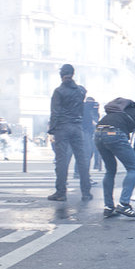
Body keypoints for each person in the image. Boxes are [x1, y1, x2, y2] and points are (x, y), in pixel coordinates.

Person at [95, 97, 135, 218]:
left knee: (110, 170)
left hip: (98, 132)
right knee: (133, 169)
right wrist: (134, 154)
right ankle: (124, 204)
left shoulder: (122, 110)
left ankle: (108, 207)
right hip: (114, 133)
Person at [47, 64, 92, 202]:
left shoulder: (59, 91)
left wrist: (52, 130)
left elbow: (55, 112)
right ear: (73, 74)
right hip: (77, 127)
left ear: (61, 75)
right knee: (82, 159)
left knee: (61, 160)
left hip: (63, 127)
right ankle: (86, 192)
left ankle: (61, 192)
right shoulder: (80, 91)